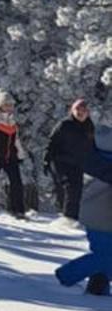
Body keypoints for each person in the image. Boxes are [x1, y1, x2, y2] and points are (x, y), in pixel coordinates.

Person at [54, 121, 112, 298]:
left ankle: (98, 287)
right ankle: (66, 274)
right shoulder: (102, 163)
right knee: (105, 256)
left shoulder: (92, 157)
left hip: (96, 216)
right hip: (100, 218)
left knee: (104, 255)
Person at [45, 99, 96, 221]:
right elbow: (51, 142)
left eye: (83, 110)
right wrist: (46, 160)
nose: (80, 112)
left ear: (87, 112)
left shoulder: (89, 126)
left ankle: (72, 218)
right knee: (70, 186)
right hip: (60, 161)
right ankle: (68, 218)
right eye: (77, 109)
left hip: (77, 163)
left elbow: (92, 146)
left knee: (77, 189)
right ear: (72, 111)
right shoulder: (64, 125)